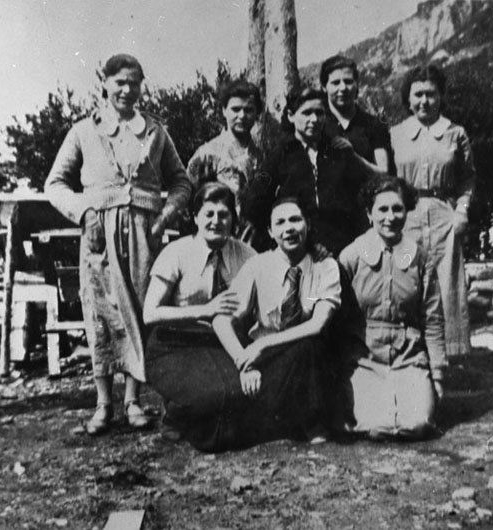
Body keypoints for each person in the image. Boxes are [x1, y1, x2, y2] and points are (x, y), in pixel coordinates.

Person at [45, 54, 192, 435]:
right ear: (105, 84)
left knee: (140, 309)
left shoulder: (155, 131)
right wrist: (84, 212)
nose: (126, 90)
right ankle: (102, 403)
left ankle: (133, 400)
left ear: (142, 86)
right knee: (101, 313)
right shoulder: (84, 131)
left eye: (133, 82)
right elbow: (54, 184)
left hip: (144, 232)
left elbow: (182, 182)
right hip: (99, 234)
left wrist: (164, 218)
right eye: (119, 82)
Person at [212, 196, 342, 445]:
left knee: (310, 347)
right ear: (271, 232)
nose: (288, 228)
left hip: (308, 365)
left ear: (308, 224)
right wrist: (244, 364)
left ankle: (312, 425)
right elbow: (221, 320)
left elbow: (317, 324)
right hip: (266, 364)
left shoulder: (325, 267)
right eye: (280, 223)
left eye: (295, 220)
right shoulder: (258, 265)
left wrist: (264, 344)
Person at [142, 182, 256, 451]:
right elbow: (150, 314)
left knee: (242, 393)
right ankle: (176, 411)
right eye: (209, 214)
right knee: (211, 395)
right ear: (195, 218)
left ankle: (192, 409)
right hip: (175, 343)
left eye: (224, 215)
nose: (216, 221)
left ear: (233, 219)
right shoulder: (176, 253)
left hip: (223, 344)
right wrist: (205, 310)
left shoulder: (247, 255)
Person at [337, 176, 446, 440]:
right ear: (369, 213)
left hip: (408, 357)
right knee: (378, 428)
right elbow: (336, 321)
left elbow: (432, 319)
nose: (390, 217)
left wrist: (438, 375)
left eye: (397, 209)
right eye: (382, 209)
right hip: (363, 360)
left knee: (417, 425)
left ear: (407, 211)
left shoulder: (420, 258)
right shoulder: (351, 256)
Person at [390, 65, 476, 357]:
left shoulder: (455, 133)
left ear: (441, 96)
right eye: (418, 95)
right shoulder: (396, 134)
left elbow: (467, 178)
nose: (424, 101)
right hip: (406, 217)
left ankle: (444, 358)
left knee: (445, 285)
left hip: (443, 217)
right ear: (408, 98)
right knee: (407, 282)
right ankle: (408, 354)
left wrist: (461, 211)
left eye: (431, 94)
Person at [245, 87, 381, 256]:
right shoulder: (279, 155)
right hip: (298, 247)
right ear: (291, 116)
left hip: (343, 246)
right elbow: (254, 202)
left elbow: (363, 196)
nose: (314, 119)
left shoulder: (338, 150)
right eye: (306, 113)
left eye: (319, 113)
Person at [186, 79, 263, 242]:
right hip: (218, 238)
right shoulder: (207, 153)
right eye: (235, 109)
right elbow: (189, 198)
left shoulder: (261, 155)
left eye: (249, 110)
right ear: (223, 110)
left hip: (254, 241)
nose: (242, 116)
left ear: (257, 113)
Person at [320, 55, 393, 174]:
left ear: (357, 84)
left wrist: (354, 157)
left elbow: (384, 171)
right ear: (324, 87)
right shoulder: (317, 123)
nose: (343, 88)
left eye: (348, 82)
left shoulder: (374, 125)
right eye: (335, 83)